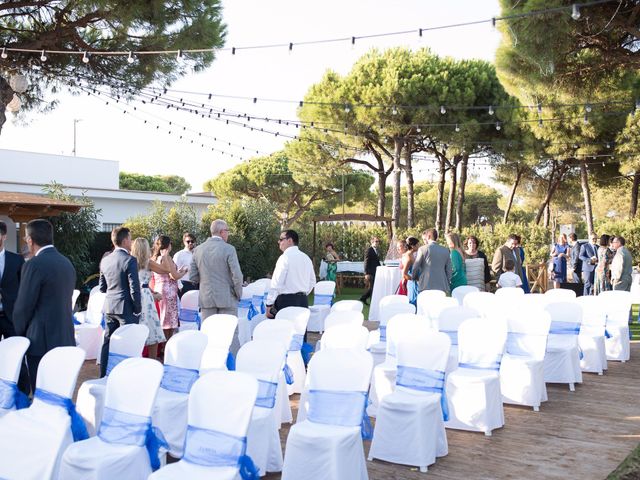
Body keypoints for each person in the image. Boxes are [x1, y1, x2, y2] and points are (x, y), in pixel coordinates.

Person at [13, 219, 76, 392]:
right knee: (60, 393)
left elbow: (23, 308)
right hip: (65, 337)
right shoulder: (66, 263)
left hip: (40, 342)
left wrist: (19, 335)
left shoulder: (33, 265)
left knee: (42, 394)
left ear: (30, 240)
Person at [190, 220, 244, 353]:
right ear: (221, 232)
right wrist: (238, 294)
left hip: (207, 298)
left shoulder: (198, 250)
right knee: (230, 335)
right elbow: (237, 275)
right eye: (227, 231)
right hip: (227, 297)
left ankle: (210, 365)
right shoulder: (229, 249)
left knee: (208, 335)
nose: (228, 234)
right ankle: (232, 366)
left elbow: (193, 276)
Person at [99, 226, 142, 377]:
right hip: (127, 308)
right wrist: (138, 308)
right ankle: (127, 376)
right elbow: (134, 288)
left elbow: (102, 287)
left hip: (110, 306)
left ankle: (103, 374)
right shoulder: (130, 260)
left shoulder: (105, 260)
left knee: (108, 342)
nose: (131, 242)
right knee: (128, 343)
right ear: (124, 241)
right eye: (130, 239)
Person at [265, 229, 316, 318]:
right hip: (303, 301)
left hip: (286, 302)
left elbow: (276, 283)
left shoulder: (284, 258)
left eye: (281, 239)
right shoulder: (306, 258)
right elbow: (312, 281)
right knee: (300, 330)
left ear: (290, 240)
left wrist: (269, 304)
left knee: (285, 330)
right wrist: (302, 293)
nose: (279, 242)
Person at [131, 238, 167, 360]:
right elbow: (165, 270)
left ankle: (136, 359)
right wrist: (165, 256)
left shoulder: (130, 262)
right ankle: (152, 361)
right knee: (153, 330)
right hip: (145, 297)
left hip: (135, 295)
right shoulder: (148, 263)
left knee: (137, 329)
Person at [152, 235, 187, 343]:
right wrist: (184, 272)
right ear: (168, 244)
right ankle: (166, 345)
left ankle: (162, 346)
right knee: (169, 321)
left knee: (162, 318)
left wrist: (178, 271)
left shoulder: (155, 258)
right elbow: (174, 276)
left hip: (158, 288)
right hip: (169, 290)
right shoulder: (167, 257)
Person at [412, 228, 452, 294]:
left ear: (429, 236)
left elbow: (415, 267)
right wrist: (446, 282)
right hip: (442, 285)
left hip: (425, 284)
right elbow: (449, 270)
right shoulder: (445, 250)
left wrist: (415, 278)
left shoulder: (422, 249)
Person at [173, 232, 197, 298]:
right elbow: (173, 271)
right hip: (184, 285)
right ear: (184, 242)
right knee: (185, 307)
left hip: (197, 285)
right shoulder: (179, 255)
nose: (190, 243)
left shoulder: (198, 254)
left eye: (192, 241)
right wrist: (180, 286)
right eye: (188, 241)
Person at [360, 236, 382, 305]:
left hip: (376, 271)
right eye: (376, 241)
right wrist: (366, 273)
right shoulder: (369, 250)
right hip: (370, 272)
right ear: (372, 242)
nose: (377, 243)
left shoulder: (376, 250)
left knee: (373, 287)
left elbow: (376, 261)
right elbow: (366, 261)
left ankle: (363, 297)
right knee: (373, 287)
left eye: (378, 241)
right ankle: (373, 303)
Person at [405, 237, 420, 304]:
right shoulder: (408, 256)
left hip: (415, 283)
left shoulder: (411, 254)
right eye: (417, 245)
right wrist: (414, 279)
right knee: (413, 302)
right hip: (412, 283)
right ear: (412, 246)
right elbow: (404, 273)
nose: (418, 246)